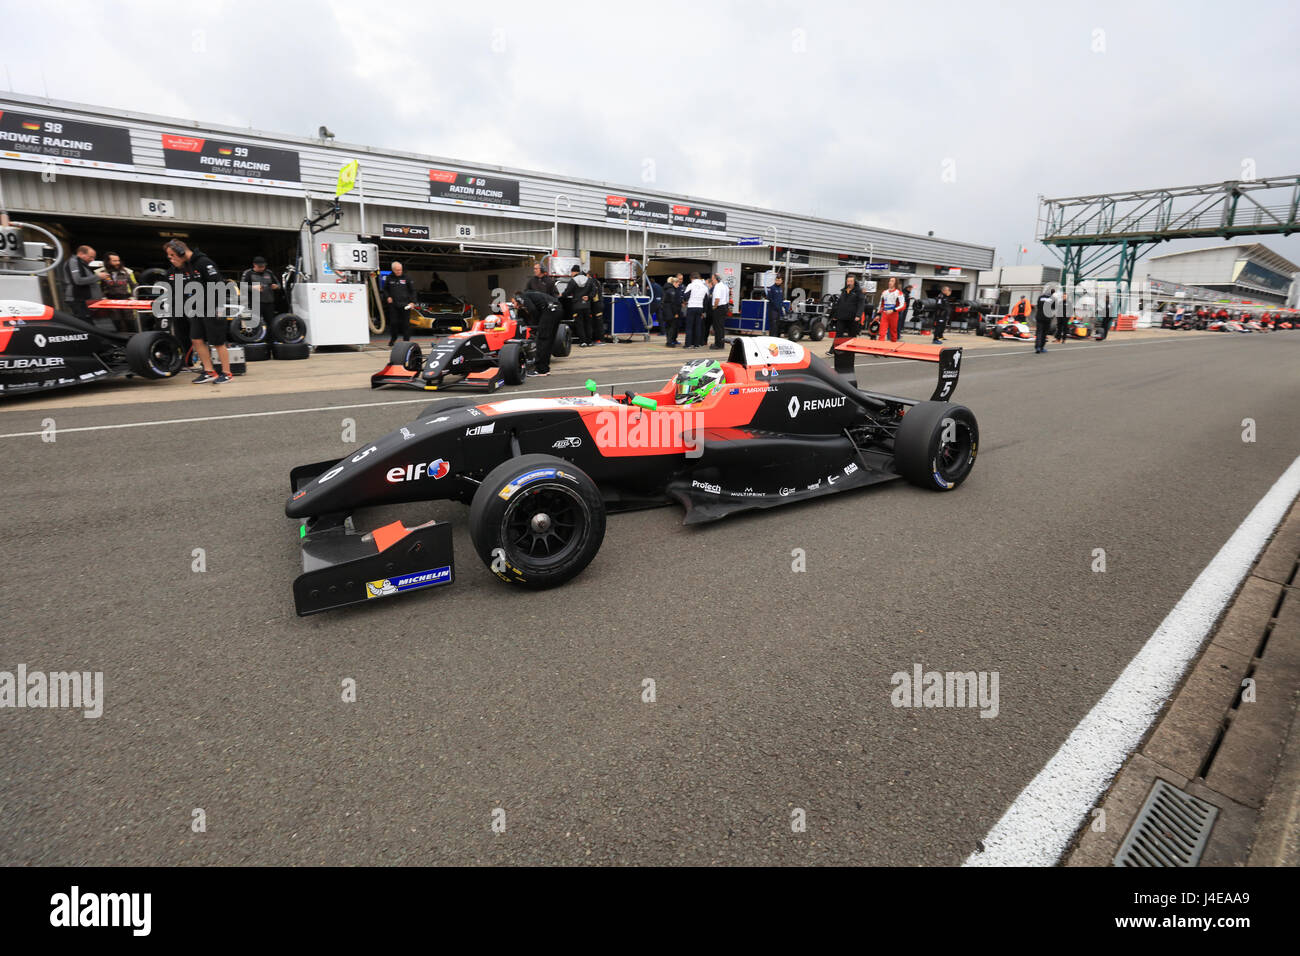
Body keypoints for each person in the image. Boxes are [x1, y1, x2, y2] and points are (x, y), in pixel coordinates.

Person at [164, 239, 232, 384]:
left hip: (212, 307)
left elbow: (218, 285)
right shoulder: (184, 266)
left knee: (217, 341)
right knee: (196, 338)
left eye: (172, 255)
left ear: (181, 252)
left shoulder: (203, 262)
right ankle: (209, 371)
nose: (170, 258)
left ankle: (226, 373)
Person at [512, 290, 562, 376]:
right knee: (548, 341)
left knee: (541, 340)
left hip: (550, 310)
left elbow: (532, 310)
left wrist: (537, 325)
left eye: (513, 302)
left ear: (516, 298)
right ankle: (545, 369)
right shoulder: (533, 295)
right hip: (558, 309)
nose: (514, 305)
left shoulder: (521, 296)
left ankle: (540, 370)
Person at [63, 245, 107, 324]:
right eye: (90, 257)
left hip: (83, 300)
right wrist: (98, 276)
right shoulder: (73, 262)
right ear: (81, 253)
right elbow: (78, 280)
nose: (92, 260)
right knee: (86, 325)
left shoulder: (81, 263)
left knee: (86, 323)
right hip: (77, 299)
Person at [240, 256, 280, 331]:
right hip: (255, 303)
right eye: (260, 266)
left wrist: (276, 286)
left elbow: (279, 285)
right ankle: (256, 340)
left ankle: (271, 341)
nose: (262, 268)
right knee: (255, 323)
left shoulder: (269, 272)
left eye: (263, 266)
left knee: (270, 323)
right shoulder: (248, 273)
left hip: (269, 302)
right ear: (254, 265)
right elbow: (242, 286)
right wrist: (253, 288)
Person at [829, 274, 866, 352]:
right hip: (842, 317)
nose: (849, 283)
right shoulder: (843, 291)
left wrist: (858, 315)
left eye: (851, 281)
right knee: (838, 334)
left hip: (853, 318)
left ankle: (851, 350)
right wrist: (835, 315)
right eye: (848, 281)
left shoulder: (858, 292)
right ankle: (833, 350)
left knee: (852, 335)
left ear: (854, 282)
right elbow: (839, 304)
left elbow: (861, 304)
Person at [562, 265, 597, 347]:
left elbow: (567, 292)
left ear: (575, 272)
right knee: (588, 323)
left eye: (571, 272)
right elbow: (594, 290)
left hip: (577, 306)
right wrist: (589, 297)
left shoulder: (573, 281)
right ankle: (589, 341)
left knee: (579, 324)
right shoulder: (589, 280)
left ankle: (583, 341)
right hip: (587, 306)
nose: (571, 274)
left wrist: (562, 295)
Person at [100, 252, 136, 332]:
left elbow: (135, 285)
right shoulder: (101, 273)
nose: (118, 263)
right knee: (116, 322)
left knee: (130, 322)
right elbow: (99, 287)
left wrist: (133, 297)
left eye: (118, 260)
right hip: (111, 301)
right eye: (114, 261)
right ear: (108, 261)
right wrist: (103, 297)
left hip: (126, 300)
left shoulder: (128, 272)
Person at [383, 262, 415, 346]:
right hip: (394, 305)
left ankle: (406, 341)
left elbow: (413, 291)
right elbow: (385, 289)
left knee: (406, 324)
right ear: (393, 270)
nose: (399, 271)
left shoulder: (407, 277)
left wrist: (412, 302)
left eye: (400, 270)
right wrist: (388, 297)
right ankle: (393, 338)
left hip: (405, 304)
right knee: (393, 323)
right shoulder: (389, 278)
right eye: (397, 270)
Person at [683, 272, 710, 349]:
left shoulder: (690, 285)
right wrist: (703, 311)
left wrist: (686, 301)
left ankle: (688, 344)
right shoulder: (704, 287)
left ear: (692, 278)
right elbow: (706, 300)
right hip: (700, 308)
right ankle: (696, 344)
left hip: (691, 307)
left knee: (689, 326)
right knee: (698, 326)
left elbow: (685, 296)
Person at [877, 277, 905, 342]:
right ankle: (879, 349)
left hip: (894, 314)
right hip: (885, 314)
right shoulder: (884, 292)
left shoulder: (899, 293)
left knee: (893, 332)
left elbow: (903, 305)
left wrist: (893, 310)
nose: (890, 282)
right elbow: (881, 304)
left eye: (892, 281)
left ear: (896, 283)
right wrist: (878, 314)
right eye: (889, 281)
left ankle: (892, 348)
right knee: (881, 332)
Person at [708, 273, 731, 349]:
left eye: (712, 278)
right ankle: (721, 344)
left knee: (717, 327)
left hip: (718, 308)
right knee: (721, 327)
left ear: (716, 279)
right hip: (724, 307)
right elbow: (728, 298)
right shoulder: (725, 286)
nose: (712, 280)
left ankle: (717, 344)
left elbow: (717, 299)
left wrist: (714, 307)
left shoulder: (717, 286)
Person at [661, 274, 683, 347]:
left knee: (668, 326)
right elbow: (673, 303)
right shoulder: (672, 290)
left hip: (666, 311)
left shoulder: (666, 289)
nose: (678, 285)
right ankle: (670, 342)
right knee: (672, 327)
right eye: (677, 284)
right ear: (674, 283)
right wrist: (676, 313)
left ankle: (669, 341)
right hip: (670, 311)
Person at [1033, 285, 1056, 354]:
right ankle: (1042, 347)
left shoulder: (1040, 297)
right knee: (1044, 333)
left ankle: (1038, 347)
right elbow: (1054, 307)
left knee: (1039, 333)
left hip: (1039, 317)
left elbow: (1038, 305)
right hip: (1047, 318)